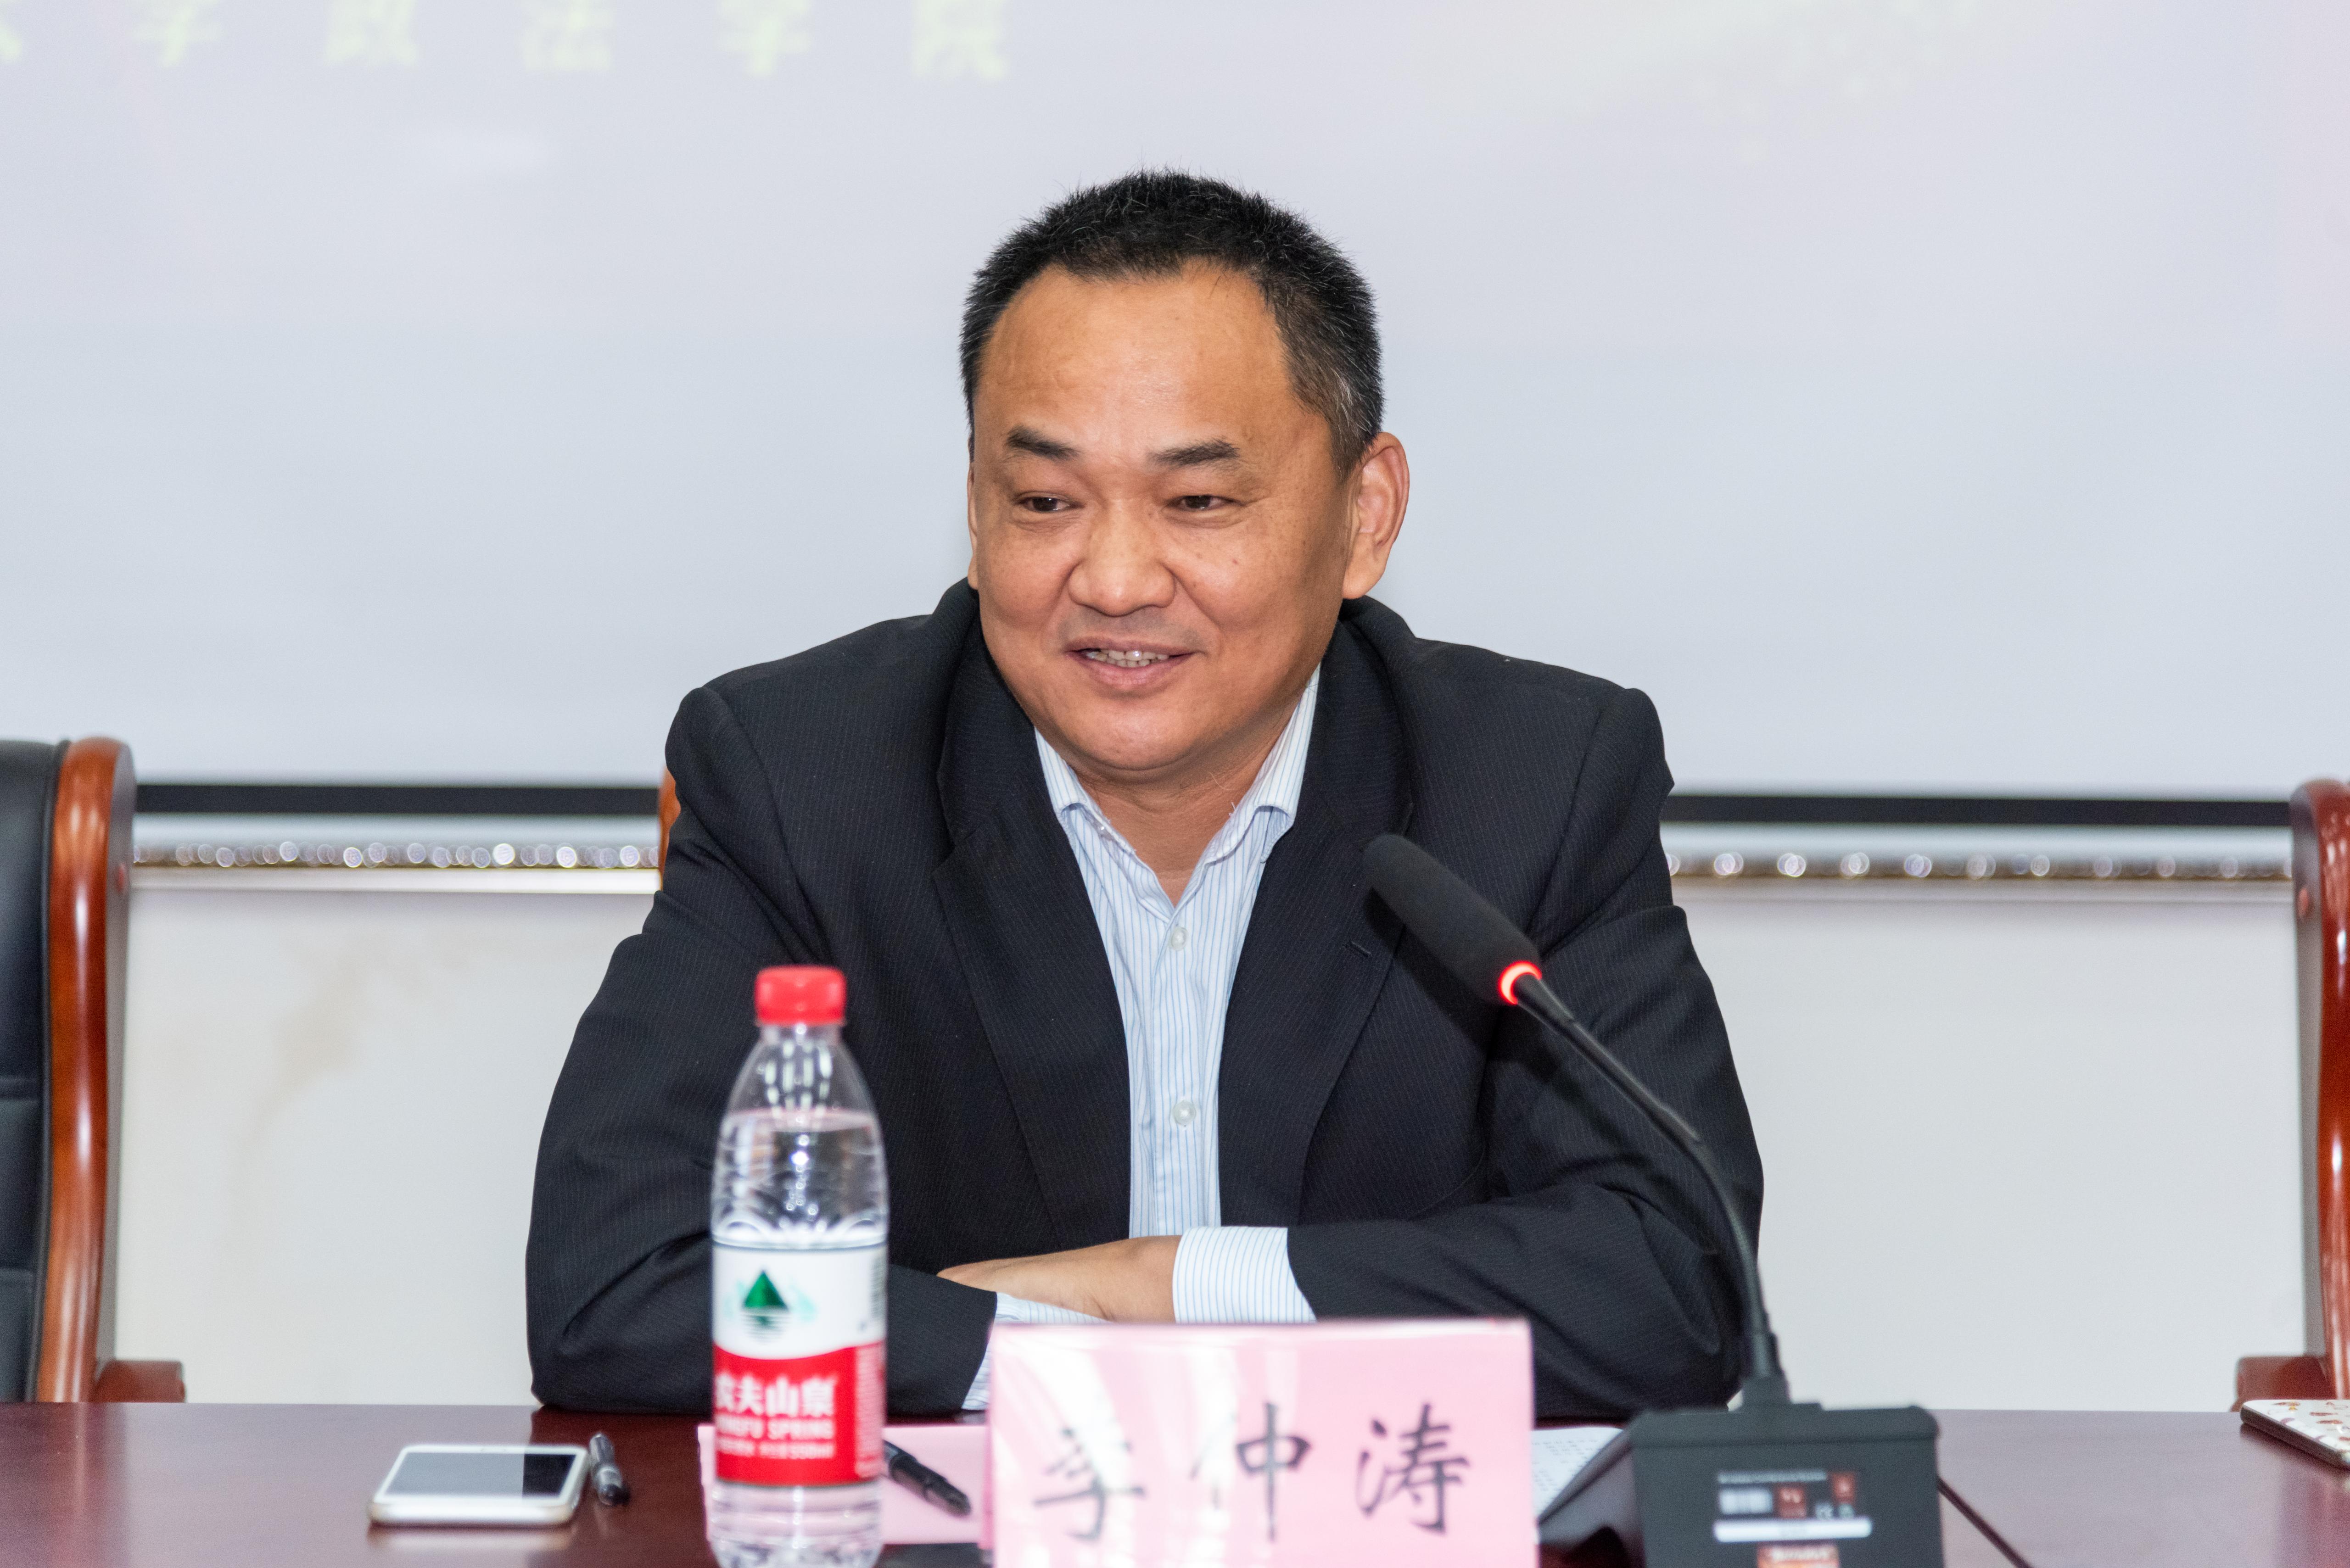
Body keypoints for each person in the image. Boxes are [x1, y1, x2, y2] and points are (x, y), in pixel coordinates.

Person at [526, 171, 1762, 1421]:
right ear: (975, 506)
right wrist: (1046, 1354)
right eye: (1045, 502)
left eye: (1199, 502)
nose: (1115, 580)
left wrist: (1162, 1286)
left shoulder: (1534, 782)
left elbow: (1676, 1283)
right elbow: (613, 1285)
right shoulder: (805, 777)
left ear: (1364, 515)